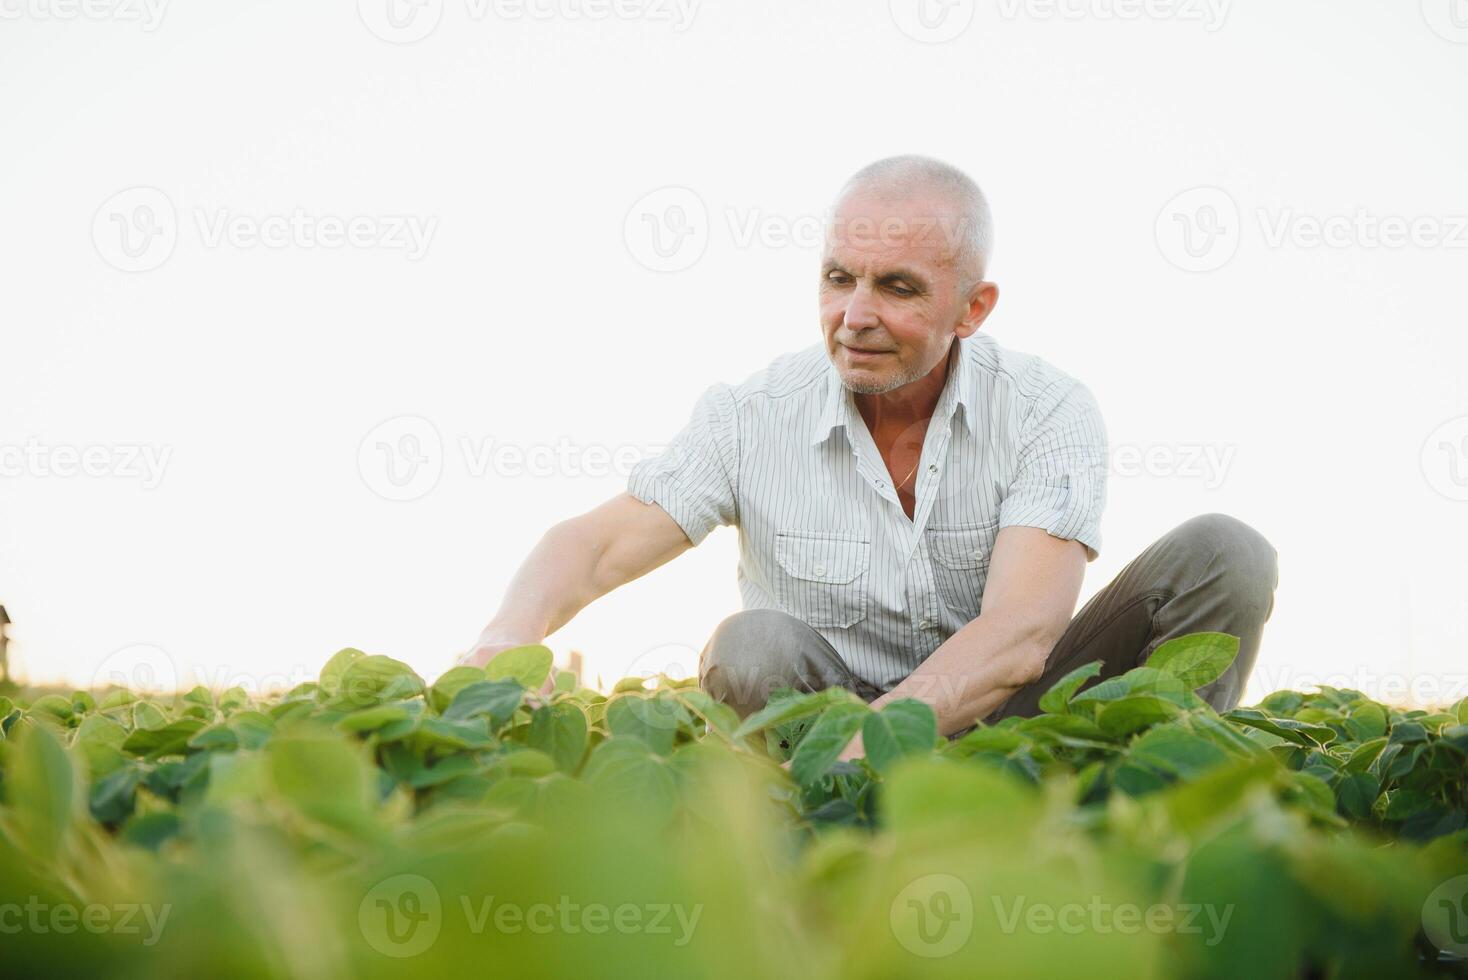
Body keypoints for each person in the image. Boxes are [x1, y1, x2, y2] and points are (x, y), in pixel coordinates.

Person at [461, 155, 1279, 758]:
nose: (854, 315)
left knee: (1225, 552)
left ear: (972, 307)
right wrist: (508, 633)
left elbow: (1024, 631)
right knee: (752, 645)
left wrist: (891, 737)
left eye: (898, 287)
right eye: (838, 277)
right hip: (830, 733)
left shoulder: (1046, 408)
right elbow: (596, 545)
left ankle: (1157, 797)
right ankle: (820, 829)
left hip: (1021, 718)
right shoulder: (752, 415)